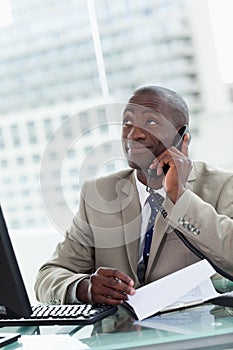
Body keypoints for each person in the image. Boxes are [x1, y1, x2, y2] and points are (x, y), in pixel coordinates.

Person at [35, 85, 233, 306]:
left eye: (150, 122)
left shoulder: (222, 186)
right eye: (127, 123)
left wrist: (179, 195)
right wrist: (83, 287)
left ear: (182, 139)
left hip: (200, 333)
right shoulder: (98, 194)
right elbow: (49, 274)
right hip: (119, 334)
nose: (133, 134)